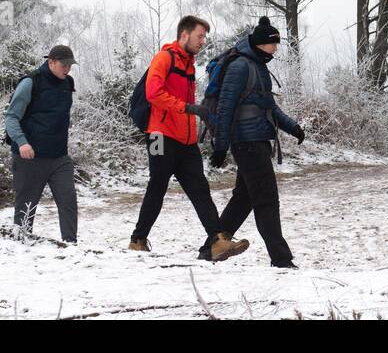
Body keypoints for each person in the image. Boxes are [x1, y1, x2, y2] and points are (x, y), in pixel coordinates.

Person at [129, 15, 248, 262]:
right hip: (159, 135)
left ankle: (217, 240)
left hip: (185, 140)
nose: (202, 41)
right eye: (199, 36)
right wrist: (187, 108)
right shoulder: (164, 58)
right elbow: (153, 93)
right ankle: (138, 240)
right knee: (158, 185)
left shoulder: (189, 64)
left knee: (200, 190)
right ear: (184, 35)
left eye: (204, 37)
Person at [211, 16, 306, 268]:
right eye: (272, 45)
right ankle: (281, 259)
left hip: (257, 140)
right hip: (247, 142)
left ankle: (212, 246)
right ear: (261, 43)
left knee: (244, 197)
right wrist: (220, 147)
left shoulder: (257, 66)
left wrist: (292, 127)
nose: (275, 49)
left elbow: (269, 107)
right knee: (266, 200)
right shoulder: (241, 66)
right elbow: (225, 107)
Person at [4, 44, 79, 243]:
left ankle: (71, 246)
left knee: (68, 201)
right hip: (31, 157)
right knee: (25, 208)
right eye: (64, 65)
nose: (67, 69)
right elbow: (11, 117)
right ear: (51, 62)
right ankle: (21, 245)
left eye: (70, 65)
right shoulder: (31, 82)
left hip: (59, 157)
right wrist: (22, 143)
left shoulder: (67, 83)